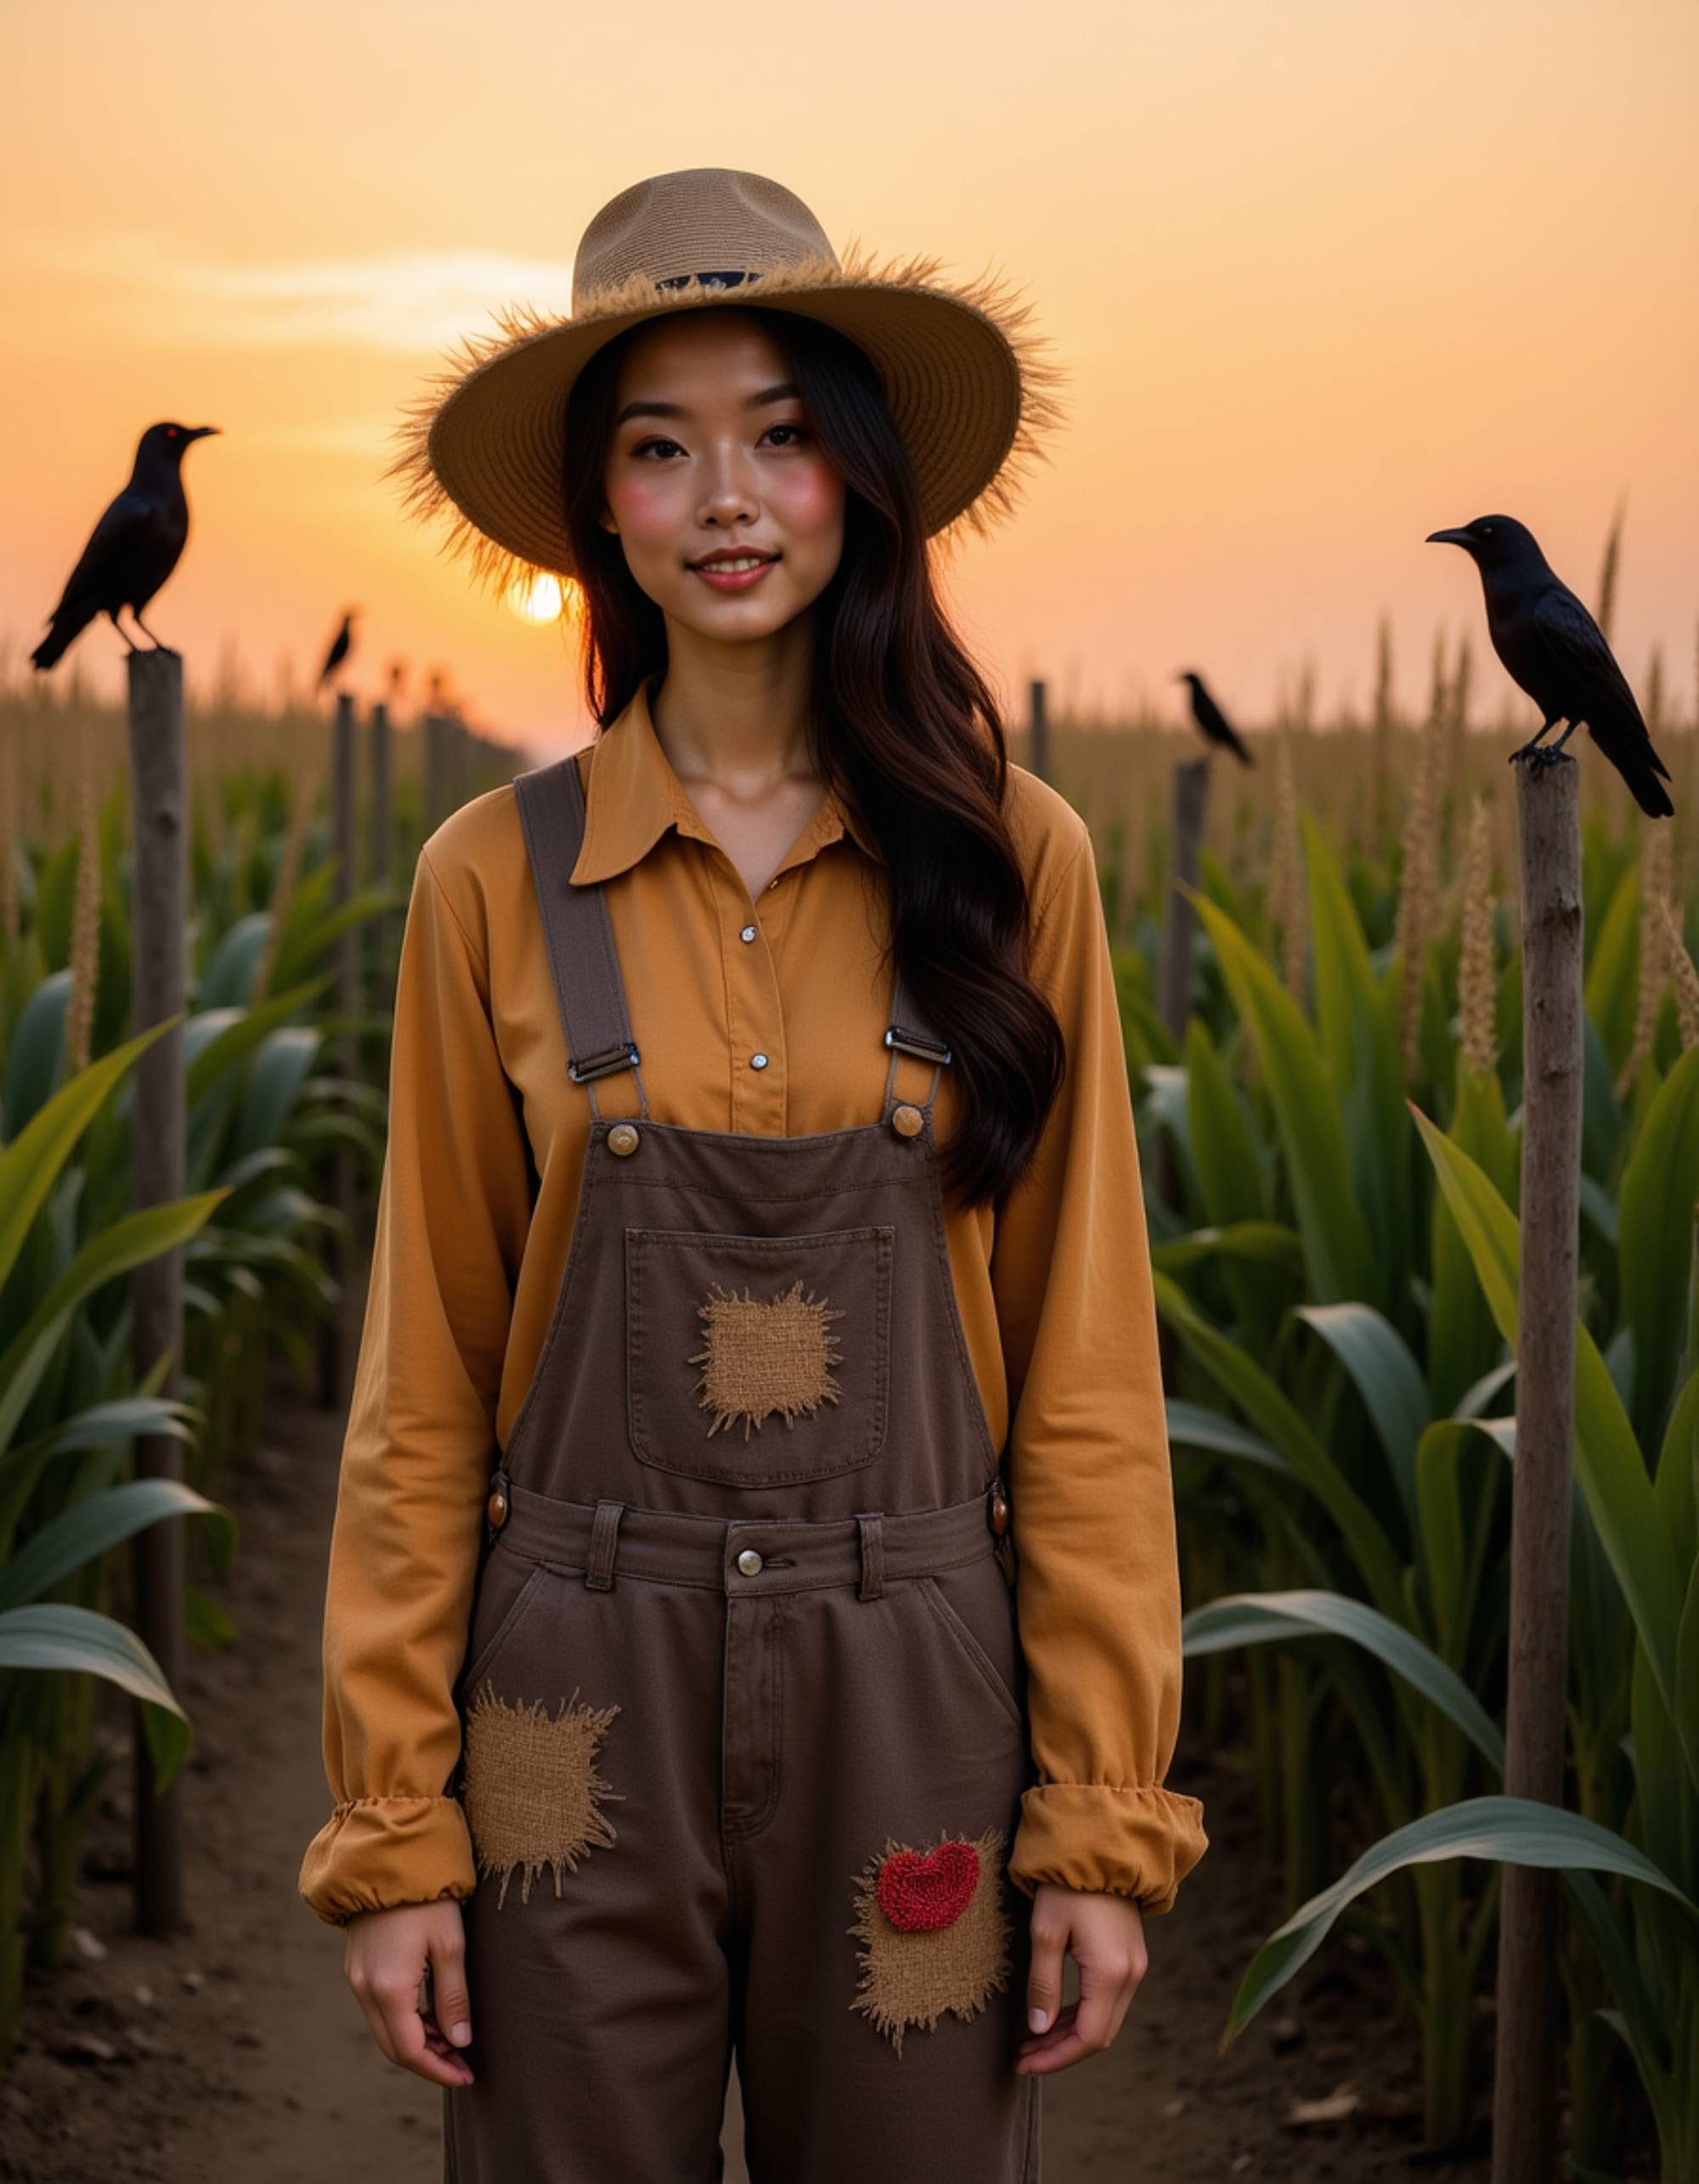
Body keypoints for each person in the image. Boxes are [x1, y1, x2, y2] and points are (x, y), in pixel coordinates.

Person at [298, 166, 1208, 2181]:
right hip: (567, 1700)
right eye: (660, 445)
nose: (727, 495)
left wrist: (1100, 1815)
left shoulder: (1009, 863)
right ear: (596, 507)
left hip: (914, 1687)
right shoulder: (489, 882)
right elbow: (422, 1390)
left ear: (859, 478)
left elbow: (1082, 1380)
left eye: (782, 435)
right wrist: (395, 1827)